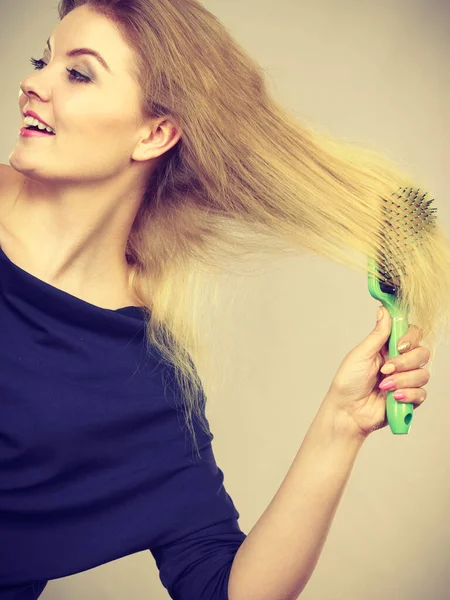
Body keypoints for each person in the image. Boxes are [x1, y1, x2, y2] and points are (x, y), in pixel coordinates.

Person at [0, 1, 435, 599]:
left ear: (154, 134)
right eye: (41, 61)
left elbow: (226, 589)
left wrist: (340, 425)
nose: (31, 83)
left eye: (77, 73)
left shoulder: (144, 380)